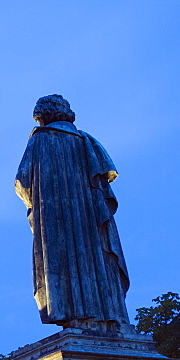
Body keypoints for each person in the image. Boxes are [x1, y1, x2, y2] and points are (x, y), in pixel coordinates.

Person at [15, 94, 130, 331]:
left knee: (64, 262)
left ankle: (77, 315)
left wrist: (37, 206)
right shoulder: (87, 141)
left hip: (56, 220)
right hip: (91, 219)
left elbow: (22, 182)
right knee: (98, 260)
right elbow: (105, 177)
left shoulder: (40, 141)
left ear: (43, 115)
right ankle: (109, 316)